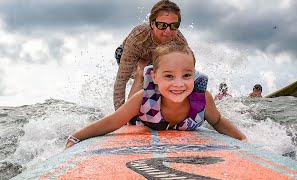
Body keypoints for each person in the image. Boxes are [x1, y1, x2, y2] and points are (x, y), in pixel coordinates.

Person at [66, 44, 246, 149]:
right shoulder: (143, 98)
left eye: (186, 75)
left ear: (194, 74)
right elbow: (113, 121)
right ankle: (138, 74)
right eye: (169, 76)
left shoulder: (202, 98)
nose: (178, 84)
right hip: (143, 123)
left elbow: (218, 121)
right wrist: (77, 137)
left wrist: (243, 140)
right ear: (155, 77)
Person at [113, 0, 188, 112]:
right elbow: (121, 82)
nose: (168, 31)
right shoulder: (137, 38)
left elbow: (187, 77)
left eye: (174, 26)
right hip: (128, 52)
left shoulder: (180, 43)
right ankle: (129, 112)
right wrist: (119, 116)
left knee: (163, 78)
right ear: (152, 24)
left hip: (155, 58)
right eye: (162, 25)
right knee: (142, 75)